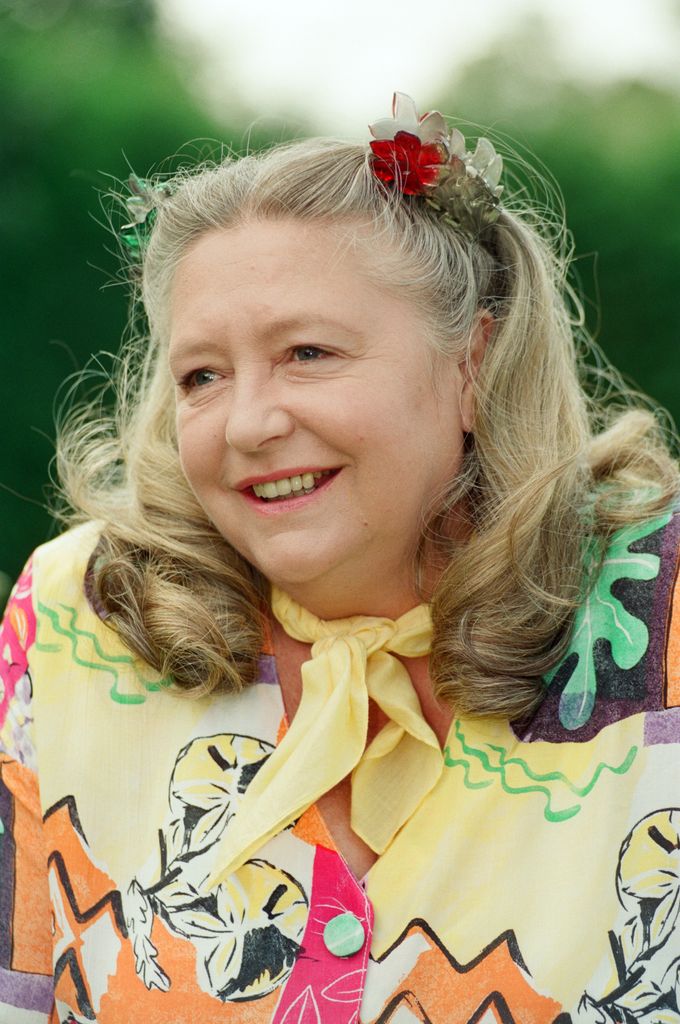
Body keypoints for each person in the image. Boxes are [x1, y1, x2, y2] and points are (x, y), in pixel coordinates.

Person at [1, 92, 678, 1024]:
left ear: (472, 364)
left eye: (308, 353)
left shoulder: (662, 614)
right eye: (202, 375)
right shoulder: (81, 612)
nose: (249, 423)